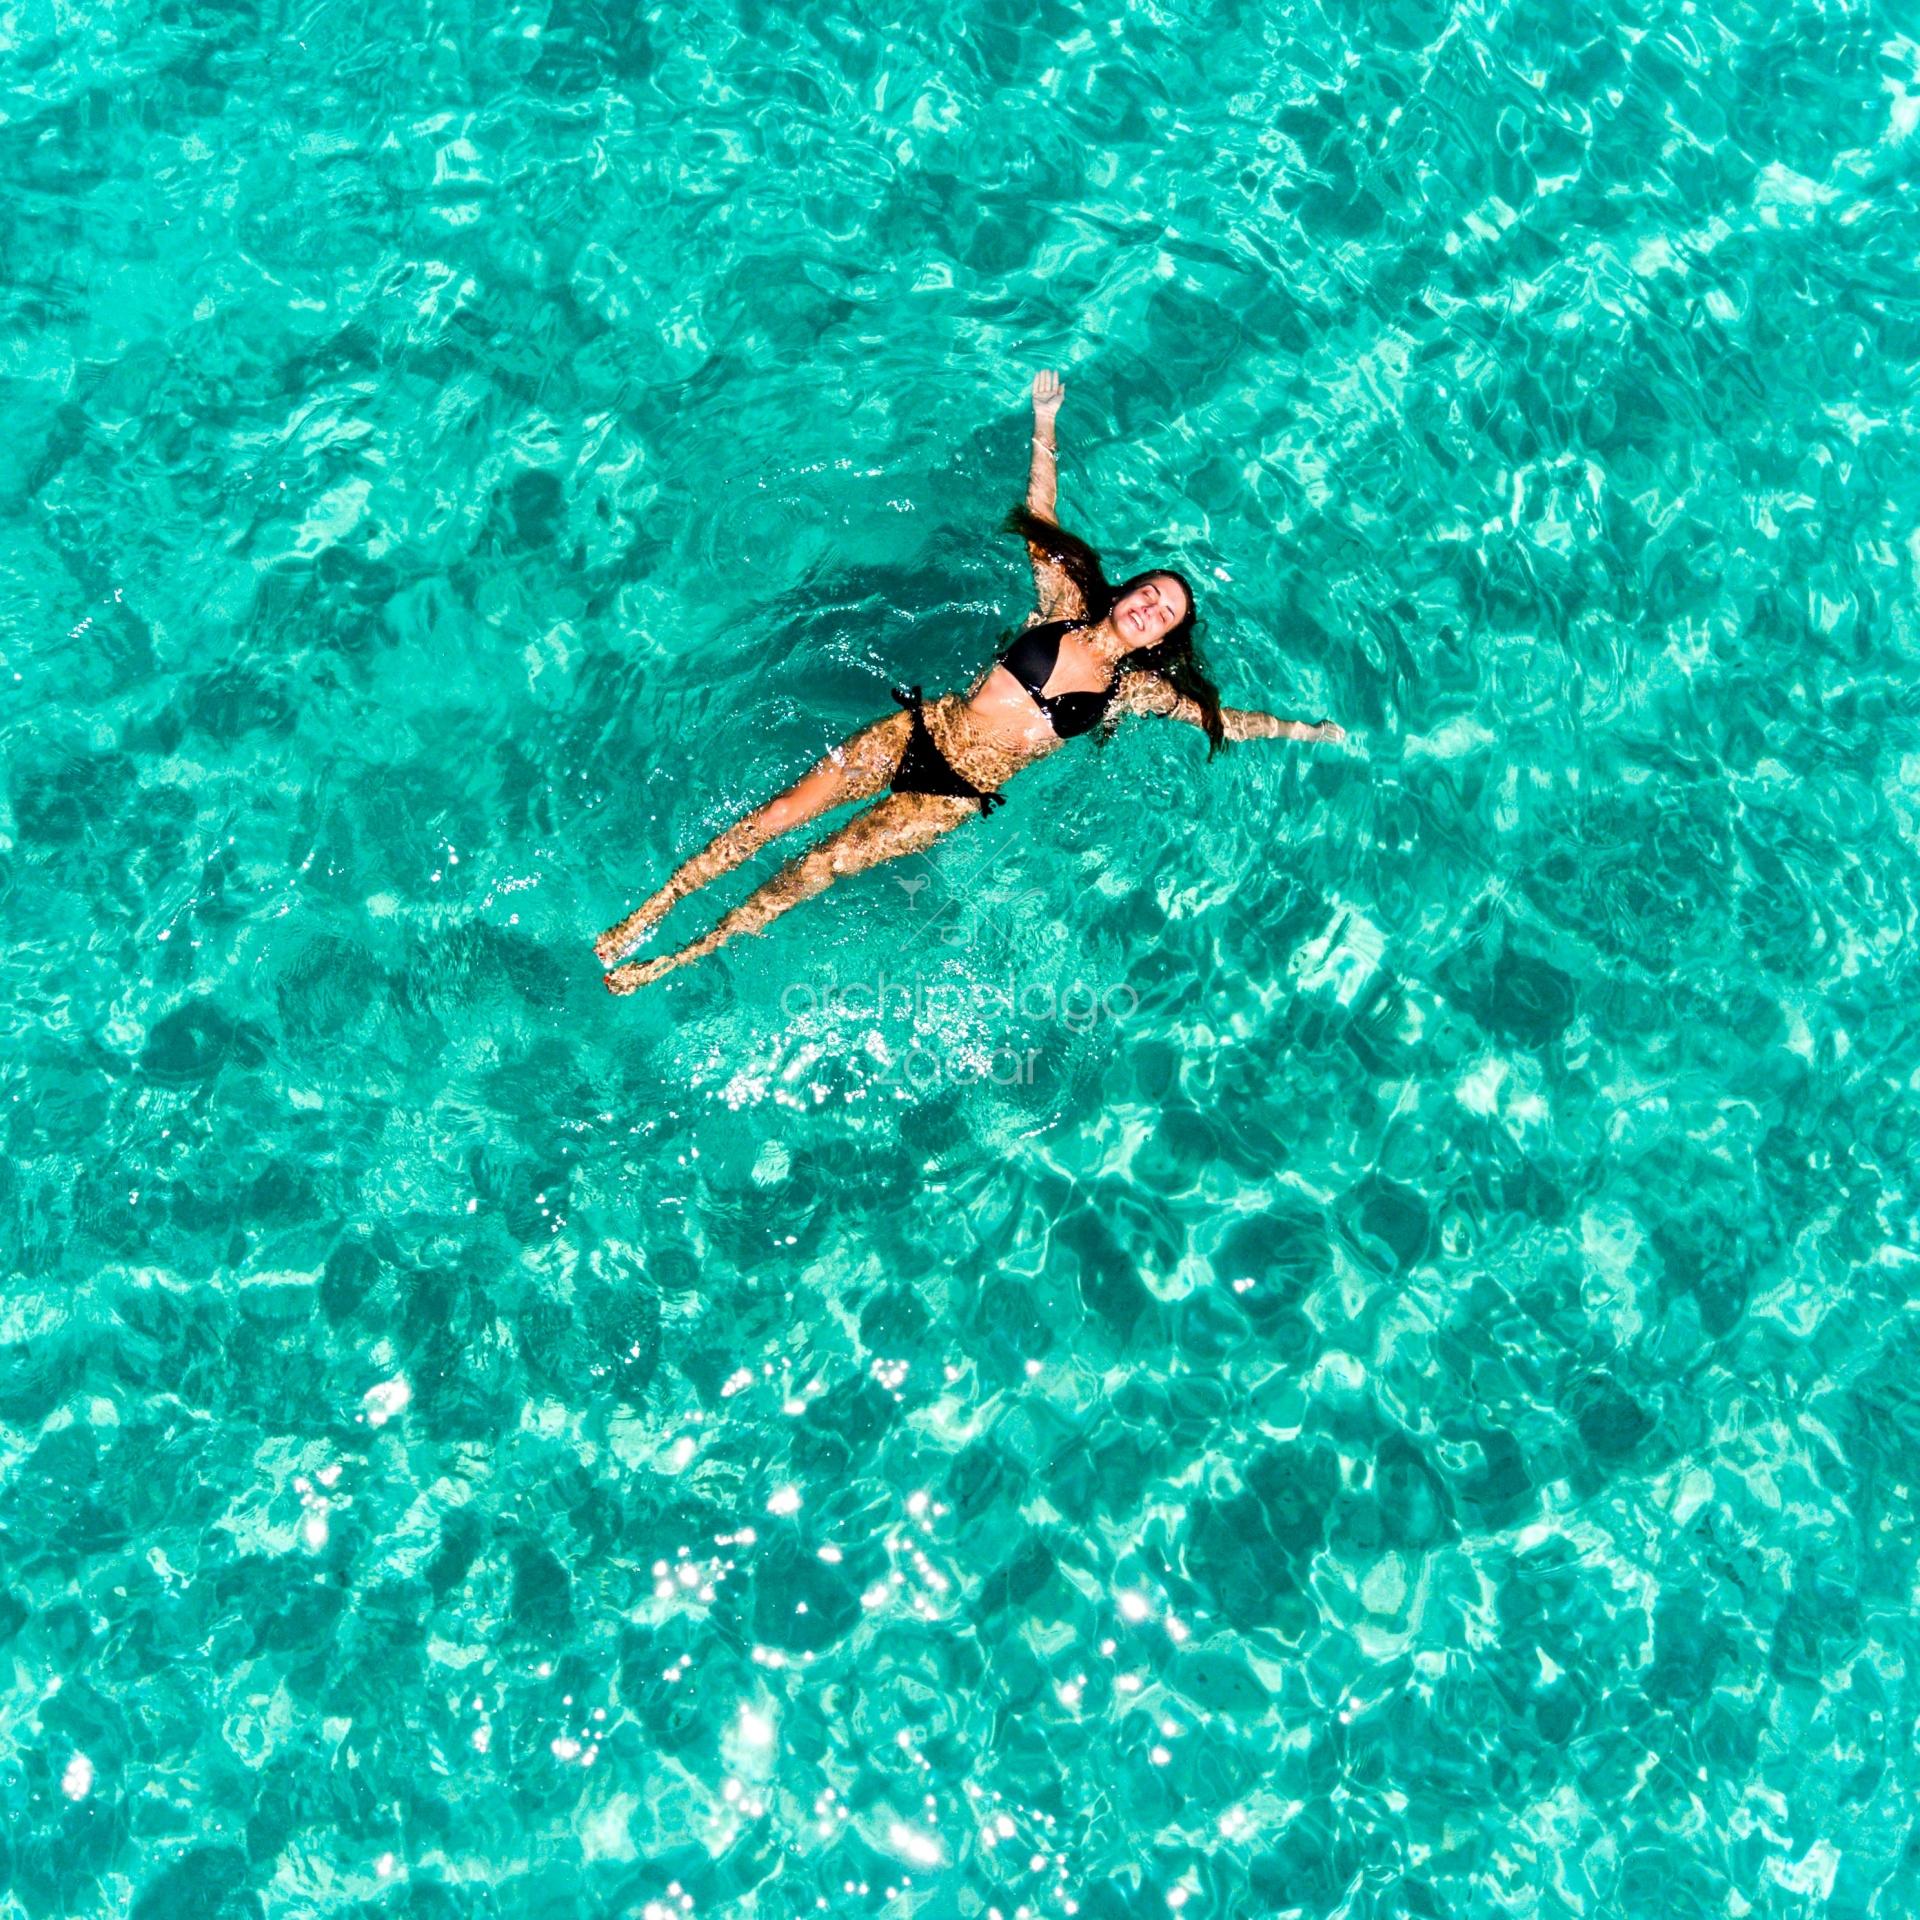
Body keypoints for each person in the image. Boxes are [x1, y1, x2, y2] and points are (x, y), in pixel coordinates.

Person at [595, 368, 1348, 993]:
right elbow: (1041, 510)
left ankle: (675, 960)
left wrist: (1306, 731)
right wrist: (1045, 421)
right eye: (1150, 592)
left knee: (818, 865)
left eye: (1168, 613)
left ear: (1165, 635)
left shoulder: (1132, 692)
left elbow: (1224, 720)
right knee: (778, 815)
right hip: (918, 731)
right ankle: (651, 909)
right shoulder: (1058, 604)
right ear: (1124, 591)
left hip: (951, 795)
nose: (1153, 608)